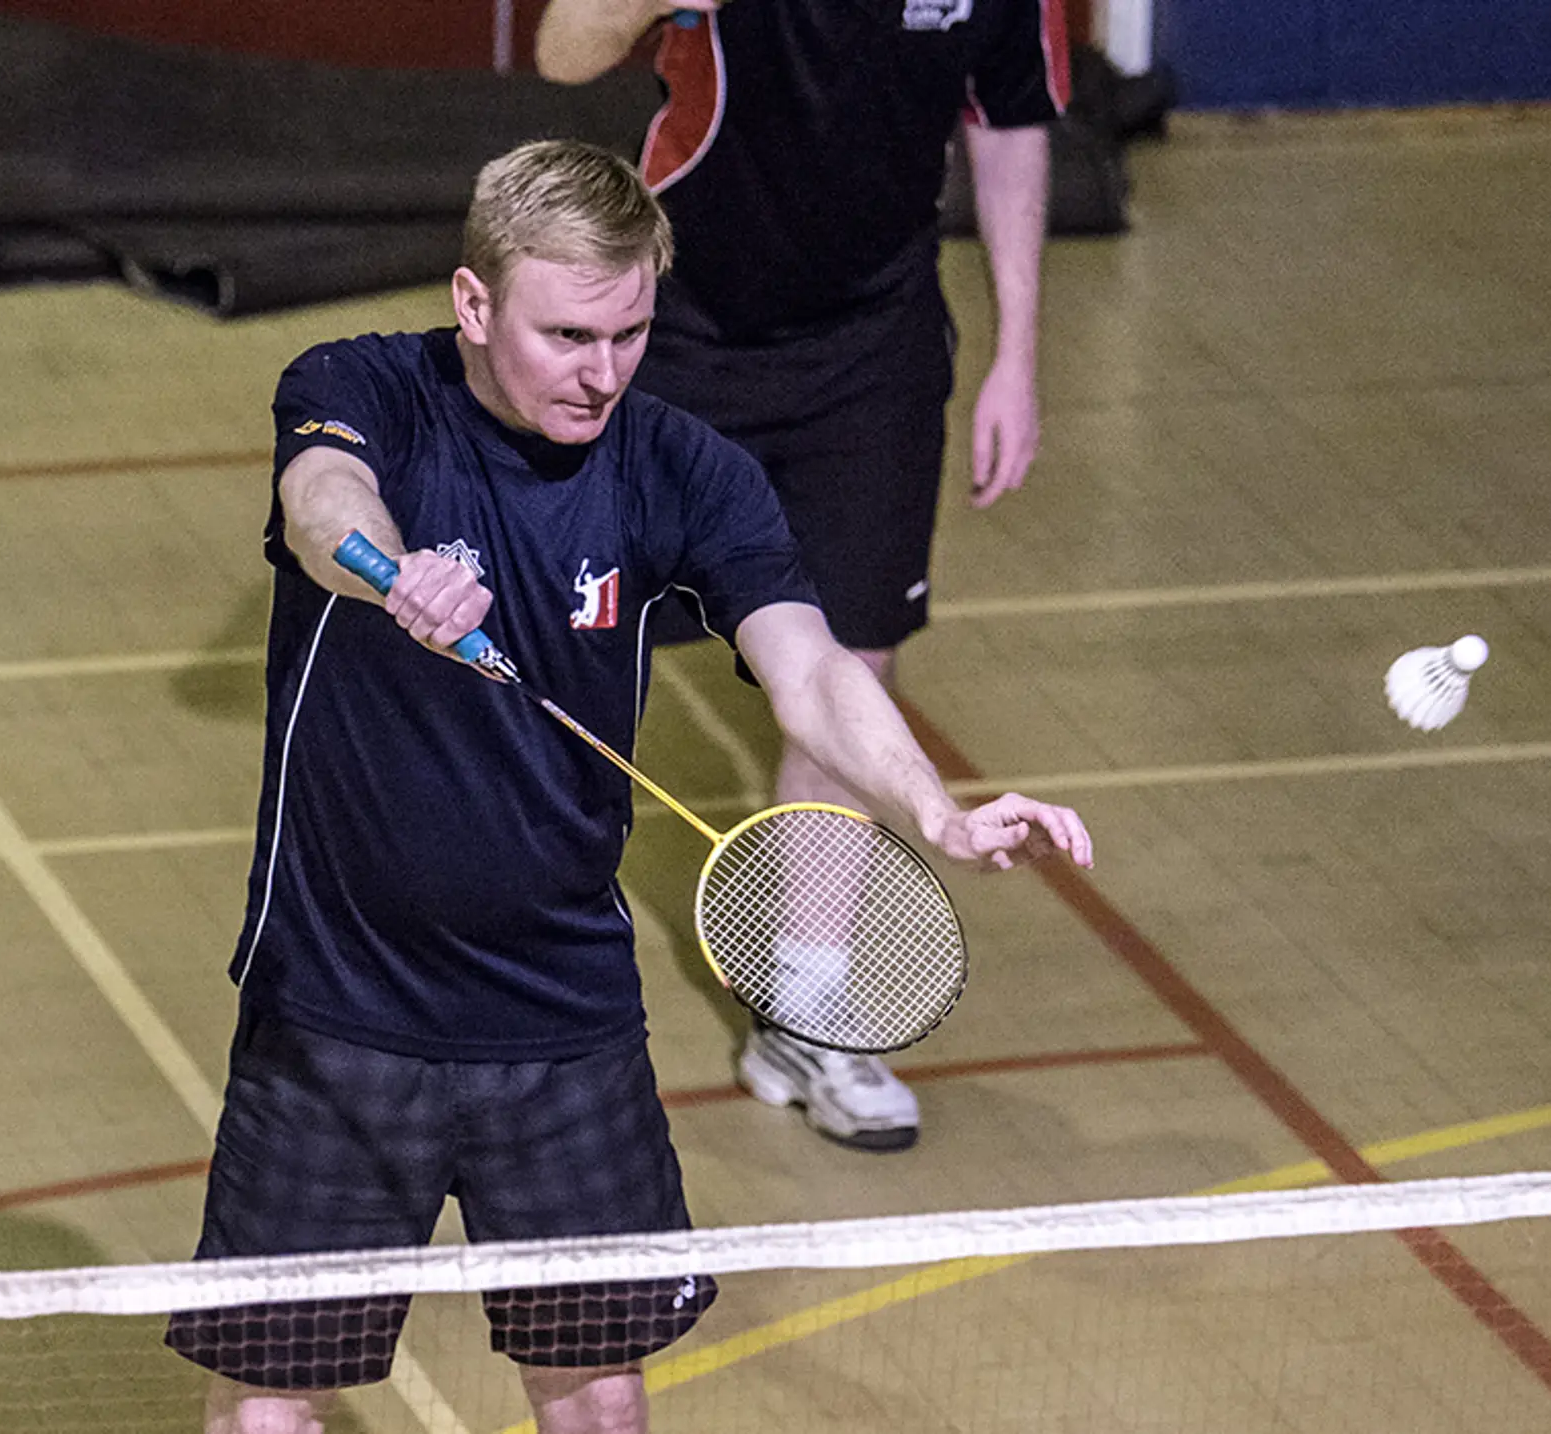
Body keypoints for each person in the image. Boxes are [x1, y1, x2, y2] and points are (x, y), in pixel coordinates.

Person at [164, 139, 1093, 1434]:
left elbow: (811, 668)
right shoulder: (364, 387)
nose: (602, 372)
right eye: (567, 335)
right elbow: (320, 498)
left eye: (630, 332)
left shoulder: (682, 468)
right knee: (269, 1407)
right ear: (475, 304)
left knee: (601, 1398)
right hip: (340, 1007)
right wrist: (387, 569)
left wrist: (930, 804)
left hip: (561, 1018)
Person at [535, 0, 1067, 1152]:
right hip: (667, 328)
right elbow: (561, 49)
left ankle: (809, 1008)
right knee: (565, 642)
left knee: (849, 654)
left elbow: (1009, 119)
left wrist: (1018, 351)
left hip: (868, 344)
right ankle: (499, 973)